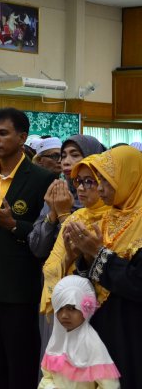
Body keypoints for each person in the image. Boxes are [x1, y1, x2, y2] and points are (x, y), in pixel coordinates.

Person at [0, 107, 56, 388]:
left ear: (22, 137)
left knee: (19, 363)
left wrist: (13, 224)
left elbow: (48, 235)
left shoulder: (42, 178)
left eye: (3, 133)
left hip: (18, 285)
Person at [66, 146, 142, 387]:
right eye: (97, 181)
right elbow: (94, 274)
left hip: (132, 327)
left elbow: (137, 282)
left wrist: (96, 253)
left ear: (128, 179)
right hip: (102, 323)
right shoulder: (109, 218)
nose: (99, 189)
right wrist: (84, 258)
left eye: (106, 181)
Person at [41, 155, 110, 315]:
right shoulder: (77, 217)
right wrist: (69, 258)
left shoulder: (117, 219)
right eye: (78, 181)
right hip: (68, 304)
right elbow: (51, 266)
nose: (80, 188)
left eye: (88, 181)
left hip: (105, 312)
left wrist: (90, 255)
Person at [39, 275, 120, 389]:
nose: (64, 315)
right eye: (60, 309)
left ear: (84, 309)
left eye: (72, 308)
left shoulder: (93, 345)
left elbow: (109, 386)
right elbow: (46, 378)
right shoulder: (56, 342)